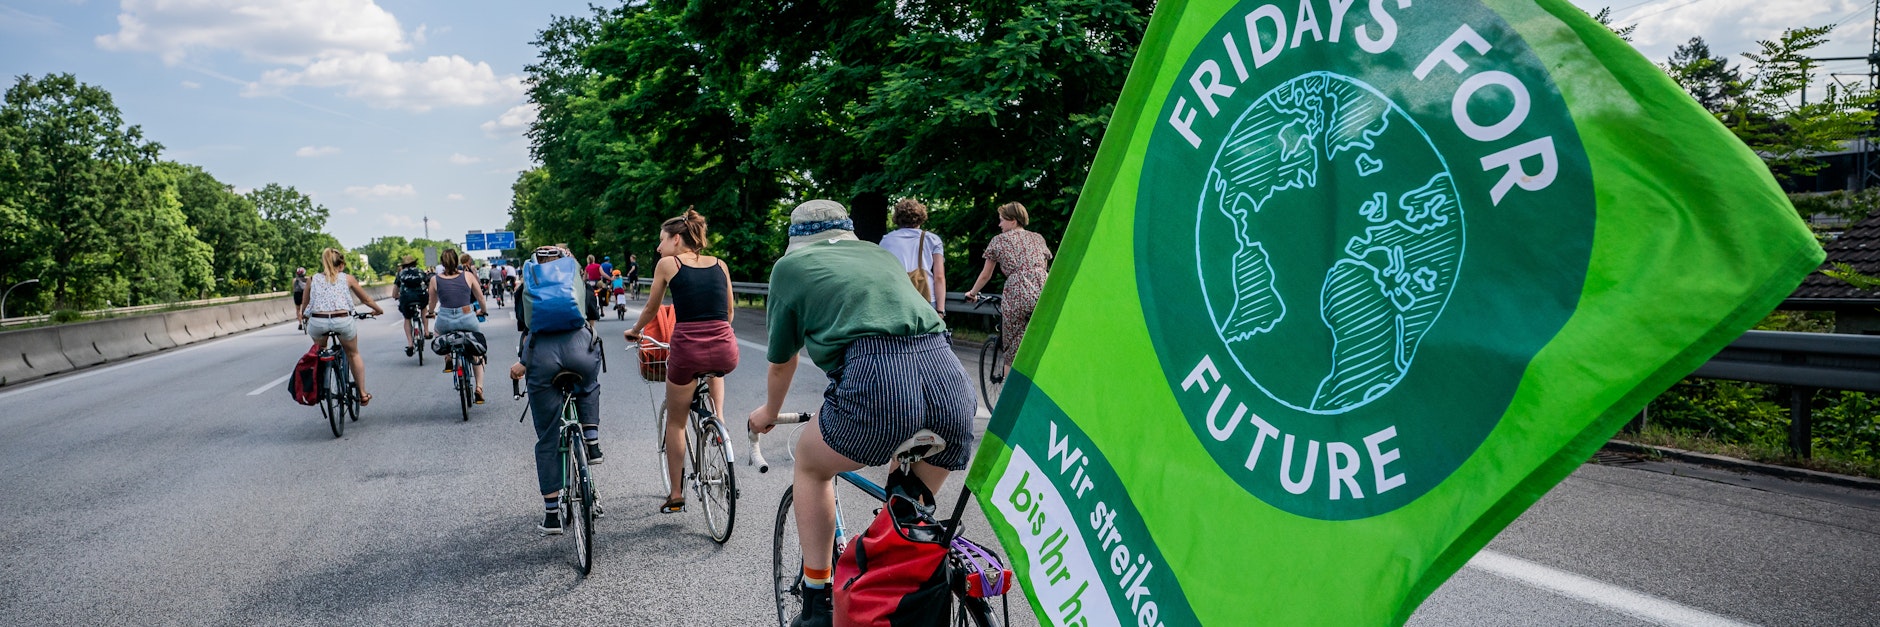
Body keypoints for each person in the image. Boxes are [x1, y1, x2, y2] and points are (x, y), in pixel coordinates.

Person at [747, 200, 975, 627]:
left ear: (797, 240)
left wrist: (768, 414)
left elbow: (782, 361)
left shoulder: (790, 269)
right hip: (950, 385)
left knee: (811, 466)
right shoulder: (878, 254)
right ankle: (904, 592)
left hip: (878, 384)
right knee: (907, 518)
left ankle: (817, 601)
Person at [625, 209, 738, 514]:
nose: (659, 248)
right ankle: (720, 419)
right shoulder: (721, 265)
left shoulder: (667, 264)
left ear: (677, 239)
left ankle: (676, 494)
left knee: (675, 422)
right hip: (726, 348)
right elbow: (728, 313)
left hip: (687, 351)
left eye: (662, 240)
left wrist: (635, 332)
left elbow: (651, 309)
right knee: (715, 363)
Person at [509, 245, 605, 534]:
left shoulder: (525, 285)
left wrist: (523, 363)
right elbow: (591, 320)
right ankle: (591, 438)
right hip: (580, 352)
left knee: (549, 435)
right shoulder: (578, 281)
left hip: (542, 358)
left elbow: (526, 327)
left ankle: (552, 516)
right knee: (588, 385)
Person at [963, 201, 1053, 367]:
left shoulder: (999, 240)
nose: (999, 224)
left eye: (1002, 220)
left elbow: (986, 275)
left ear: (1013, 220)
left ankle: (1010, 388)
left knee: (1012, 349)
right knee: (1041, 341)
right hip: (1043, 292)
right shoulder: (1038, 238)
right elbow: (1044, 267)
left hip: (1017, 293)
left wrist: (973, 293)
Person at [304, 248, 386, 405]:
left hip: (318, 321)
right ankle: (362, 394)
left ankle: (321, 388)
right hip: (342, 320)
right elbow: (366, 299)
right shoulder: (347, 279)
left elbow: (305, 305)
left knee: (320, 353)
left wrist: (304, 316)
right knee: (353, 354)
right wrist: (378, 310)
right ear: (341, 264)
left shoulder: (312, 279)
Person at [428, 249, 491, 403]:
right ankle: (479, 388)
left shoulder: (435, 280)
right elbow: (480, 297)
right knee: (477, 351)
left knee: (437, 333)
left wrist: (430, 312)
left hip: (445, 319)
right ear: (457, 261)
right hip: (467, 317)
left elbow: (432, 302)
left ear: (442, 263)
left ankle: (448, 356)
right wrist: (483, 311)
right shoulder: (468, 276)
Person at [878, 198, 948, 315]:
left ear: (897, 218)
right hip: (926, 297)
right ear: (921, 218)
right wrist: (940, 310)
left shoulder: (886, 241)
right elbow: (939, 277)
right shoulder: (932, 239)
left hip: (897, 297)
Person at [394, 256, 431, 356]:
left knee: (407, 318)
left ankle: (410, 344)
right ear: (415, 263)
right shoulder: (420, 271)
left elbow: (394, 292)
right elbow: (428, 284)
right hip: (421, 296)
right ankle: (427, 332)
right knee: (424, 309)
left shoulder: (400, 274)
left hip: (406, 298)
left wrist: (397, 296)